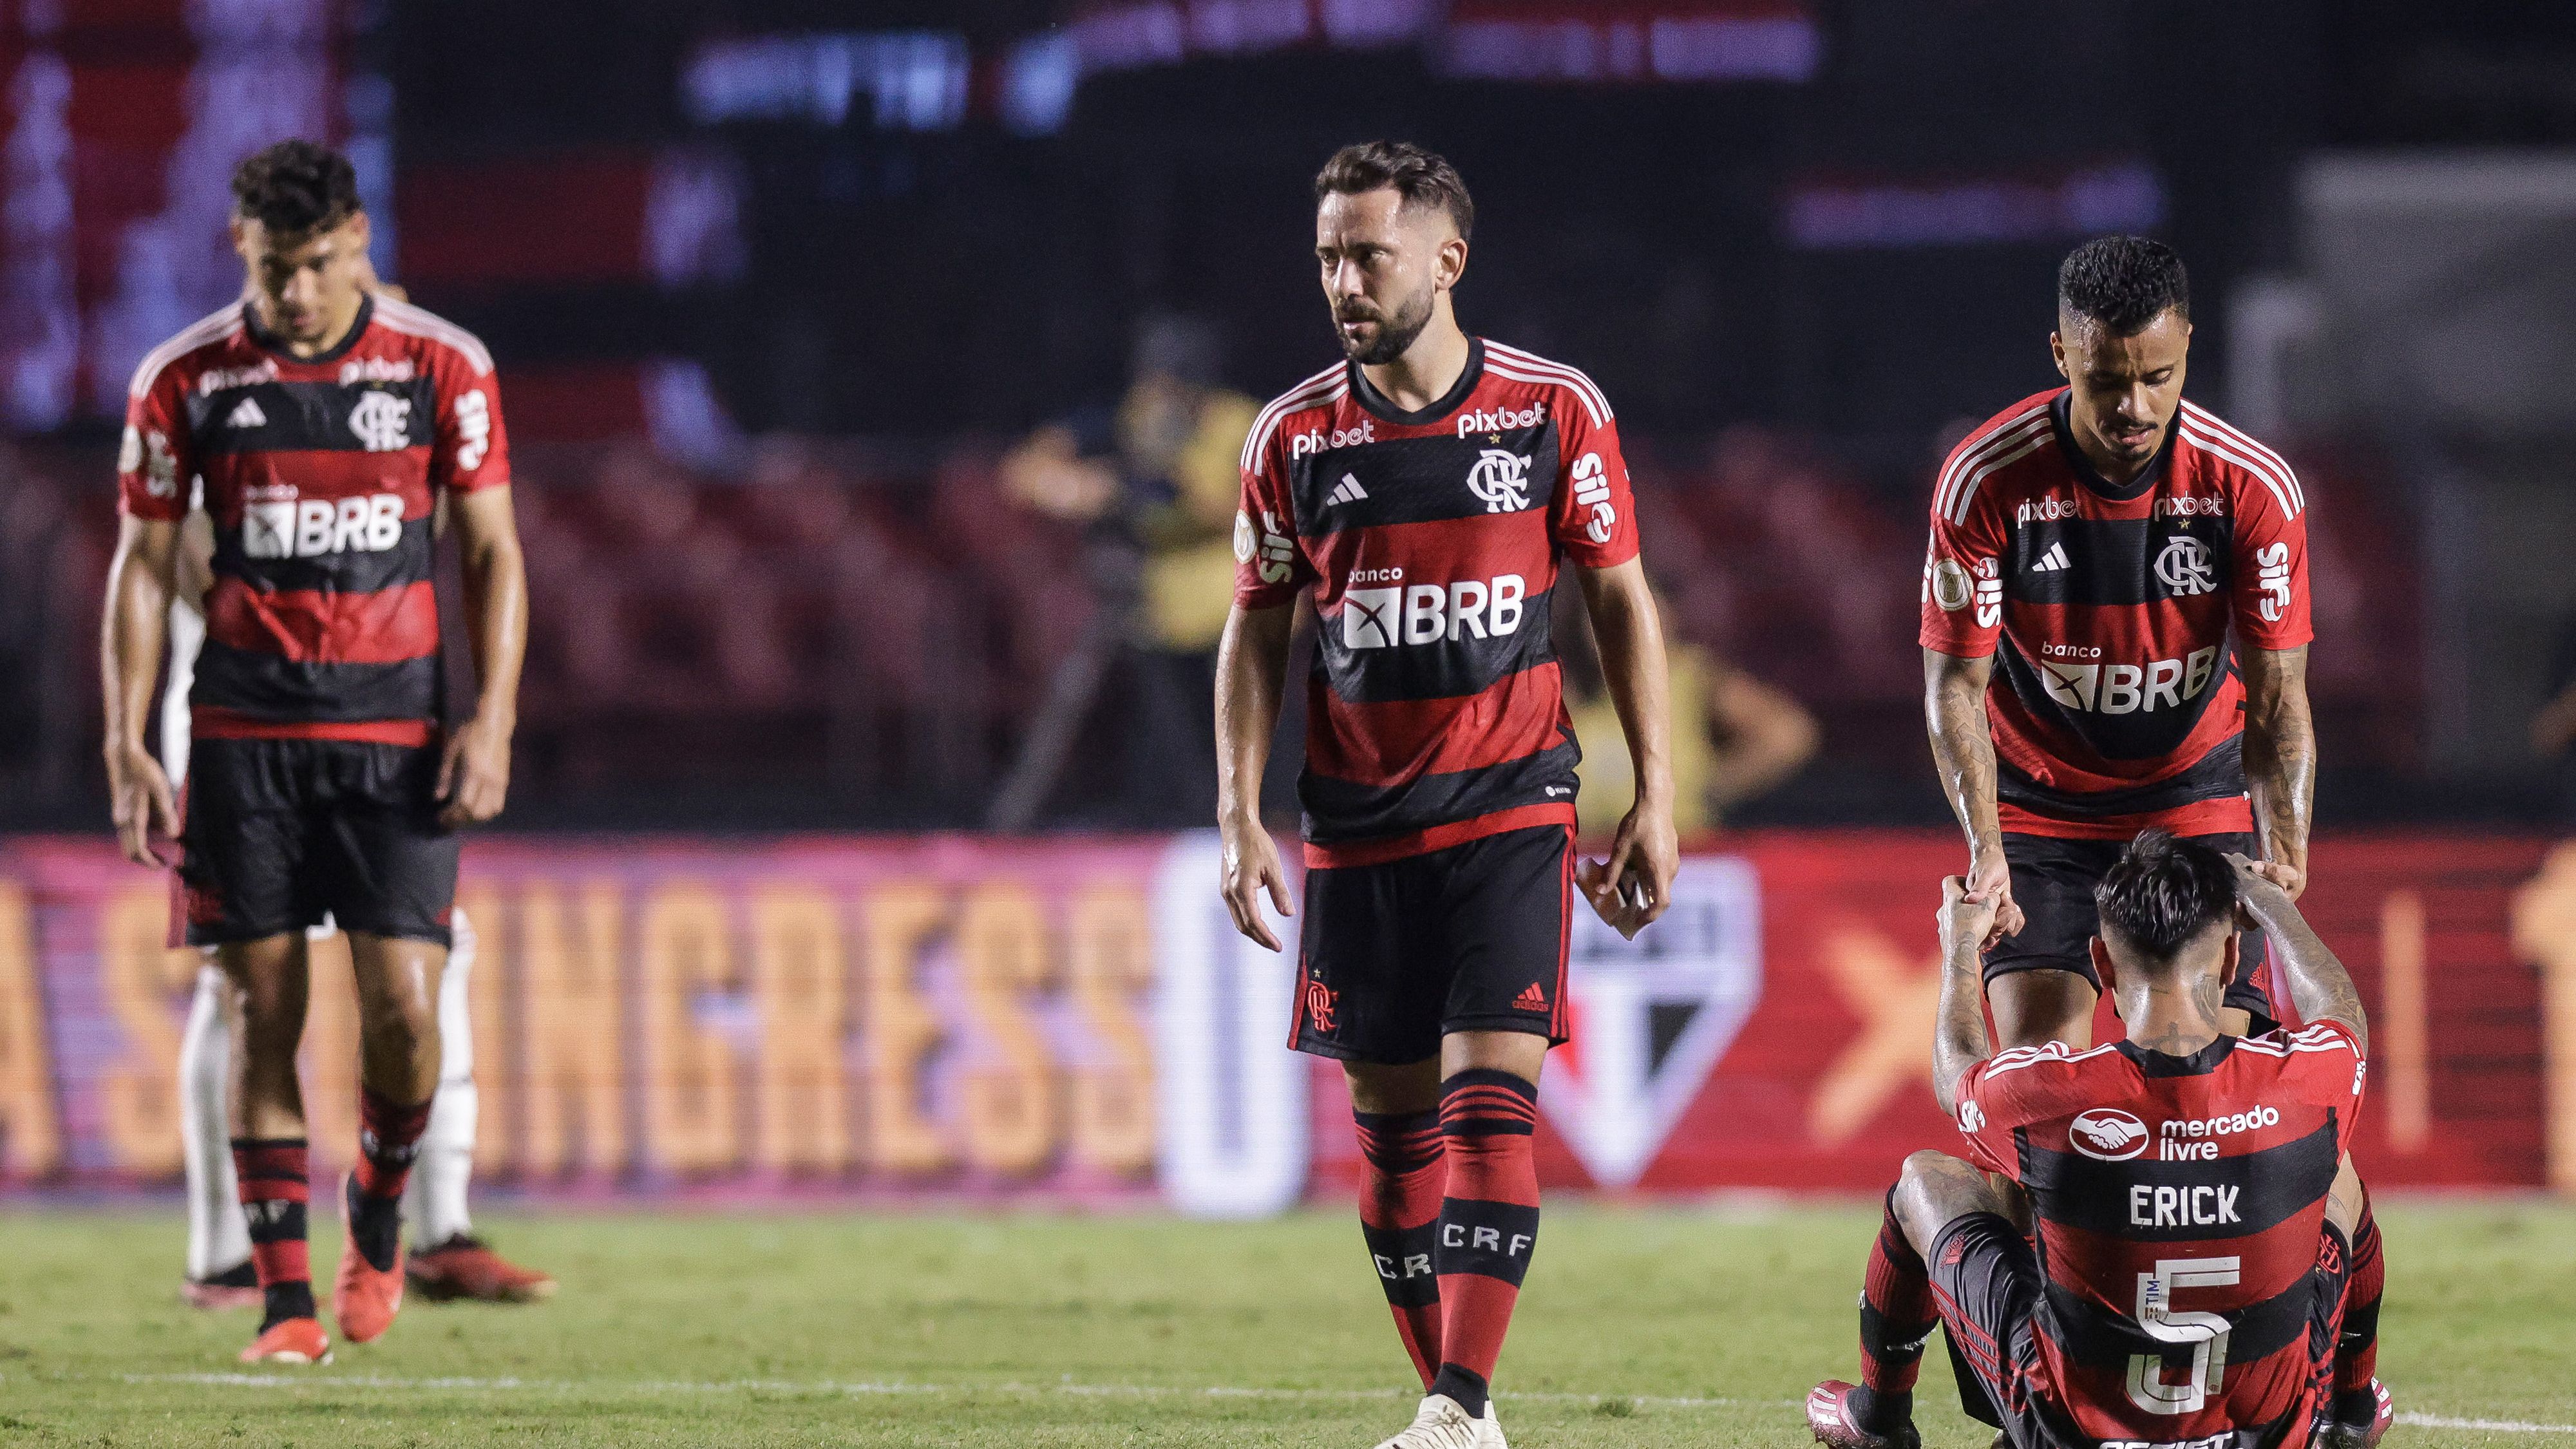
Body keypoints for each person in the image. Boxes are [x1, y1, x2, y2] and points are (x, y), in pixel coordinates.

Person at [1213, 141, 1676, 1449]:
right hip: (1355, 827)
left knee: (1488, 1107)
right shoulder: (1292, 435)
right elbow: (1253, 628)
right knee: (1391, 1142)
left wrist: (1654, 791)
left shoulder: (1547, 410)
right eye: (1326, 259)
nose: (1342, 282)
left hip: (1513, 803)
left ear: (1444, 260)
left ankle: (1457, 1401)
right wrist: (1234, 806)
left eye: (1367, 254)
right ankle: (1456, 1407)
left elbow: (1617, 595)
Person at [101, 140, 527, 1364]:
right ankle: (286, 1306)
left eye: (321, 264)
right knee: (257, 1008)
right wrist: (130, 741)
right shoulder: (185, 379)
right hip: (242, 733)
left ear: (362, 241)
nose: (297, 294)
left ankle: (382, 1211)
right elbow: (142, 567)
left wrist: (490, 717)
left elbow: (494, 551)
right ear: (243, 248)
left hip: (394, 736)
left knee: (404, 1006)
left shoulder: (441, 365)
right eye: (277, 268)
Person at [1806, 833, 2392, 1449]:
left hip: (2070, 1435)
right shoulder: (2307, 1082)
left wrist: (1960, 946)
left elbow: (1957, 1074)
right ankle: (2349, 1414)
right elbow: (2342, 1012)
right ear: (2227, 964)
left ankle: (1877, 1421)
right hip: (2267, 1436)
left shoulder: (2052, 1092)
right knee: (2340, 1175)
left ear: (2102, 964)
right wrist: (2269, 902)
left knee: (1926, 1179)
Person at [161, 479, 551, 1314]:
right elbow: (177, 539)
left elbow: (430, 522)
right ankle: (226, 1253)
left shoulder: (386, 382)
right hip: (238, 710)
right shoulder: (230, 375)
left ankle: (440, 1229)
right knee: (240, 978)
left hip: (360, 709)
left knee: (439, 943)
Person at [1921, 236, 2315, 1051]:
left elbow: (2278, 693)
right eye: (2106, 380)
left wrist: (2284, 850)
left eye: (2156, 378)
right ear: (2061, 353)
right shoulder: (1985, 480)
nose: (2132, 406)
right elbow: (1954, 686)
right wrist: (1983, 849)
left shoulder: (2251, 487)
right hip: (2043, 807)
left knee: (2206, 1084)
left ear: (2187, 349)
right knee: (2041, 1083)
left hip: (2192, 798)